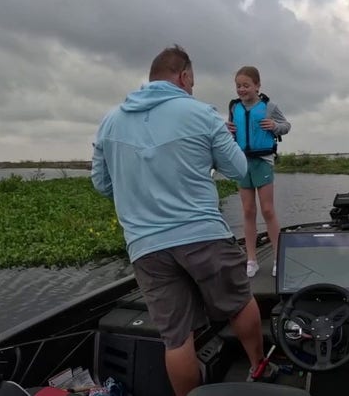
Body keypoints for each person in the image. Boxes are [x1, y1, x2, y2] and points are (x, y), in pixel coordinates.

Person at [91, 45, 276, 396]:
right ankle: (257, 367)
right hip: (202, 234)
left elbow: (102, 184)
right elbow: (237, 168)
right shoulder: (200, 113)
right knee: (238, 302)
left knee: (175, 337)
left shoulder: (110, 120)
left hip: (145, 248)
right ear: (184, 76)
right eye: (191, 81)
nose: (191, 87)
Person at [226, 65, 291, 277]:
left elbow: (286, 125)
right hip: (242, 162)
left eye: (246, 85)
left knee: (268, 210)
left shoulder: (269, 106)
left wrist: (274, 125)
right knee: (247, 211)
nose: (242, 89)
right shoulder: (234, 107)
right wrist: (227, 129)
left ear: (257, 86)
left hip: (262, 161)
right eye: (238, 86)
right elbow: (230, 131)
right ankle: (251, 259)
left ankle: (278, 258)